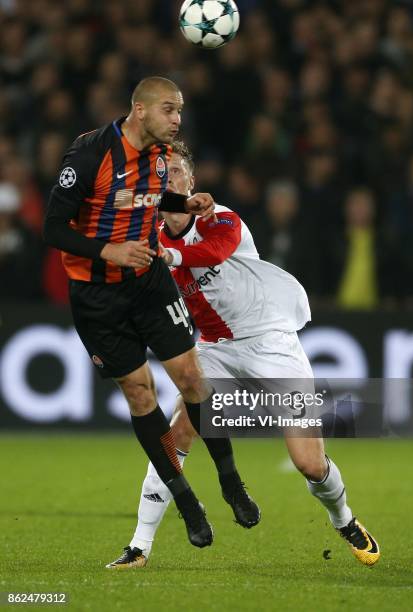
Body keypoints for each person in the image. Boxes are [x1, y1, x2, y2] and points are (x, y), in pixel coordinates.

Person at [106, 141, 380, 569]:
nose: (170, 179)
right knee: (176, 432)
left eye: (177, 171)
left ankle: (344, 519)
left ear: (191, 182)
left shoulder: (221, 217)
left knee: (309, 464)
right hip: (215, 348)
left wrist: (169, 254)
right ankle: (139, 546)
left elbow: (214, 252)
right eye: (161, 173)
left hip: (271, 342)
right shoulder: (147, 242)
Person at [43, 77, 260, 552]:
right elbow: (53, 228)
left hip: (147, 282)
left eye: (180, 110)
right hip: (98, 296)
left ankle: (231, 482)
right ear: (139, 110)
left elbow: (147, 199)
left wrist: (188, 203)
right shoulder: (89, 156)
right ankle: (185, 502)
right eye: (169, 110)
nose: (177, 119)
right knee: (141, 395)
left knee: (193, 382)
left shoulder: (161, 157)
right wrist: (109, 252)